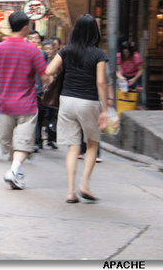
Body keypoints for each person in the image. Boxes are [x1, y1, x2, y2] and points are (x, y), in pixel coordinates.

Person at [0, 11, 50, 191]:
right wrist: (50, 81)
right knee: (24, 143)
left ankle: (16, 175)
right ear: (26, 28)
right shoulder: (33, 50)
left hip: (5, 105)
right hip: (26, 105)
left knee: (12, 144)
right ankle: (14, 171)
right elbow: (44, 77)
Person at [44, 14, 109, 203]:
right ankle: (84, 185)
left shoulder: (66, 50)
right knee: (92, 144)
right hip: (89, 102)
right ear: (95, 32)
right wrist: (105, 109)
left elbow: (49, 71)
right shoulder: (99, 54)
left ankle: (71, 192)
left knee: (73, 147)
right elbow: (101, 82)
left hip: (67, 100)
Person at [27, 31, 53, 151]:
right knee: (29, 117)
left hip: (38, 90)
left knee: (38, 117)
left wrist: (46, 86)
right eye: (31, 38)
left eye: (36, 38)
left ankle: (37, 141)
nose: (34, 40)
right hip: (26, 90)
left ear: (39, 40)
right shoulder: (24, 53)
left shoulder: (42, 54)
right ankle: (33, 141)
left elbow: (47, 71)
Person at [41, 40, 59, 149]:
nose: (48, 51)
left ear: (54, 50)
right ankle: (39, 140)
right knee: (44, 115)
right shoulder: (41, 60)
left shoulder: (57, 60)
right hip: (43, 92)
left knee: (53, 115)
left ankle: (50, 137)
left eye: (50, 49)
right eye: (46, 49)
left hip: (54, 93)